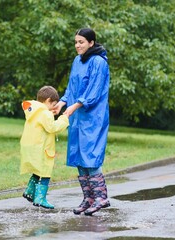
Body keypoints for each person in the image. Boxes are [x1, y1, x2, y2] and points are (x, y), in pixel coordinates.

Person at [53, 28, 111, 215]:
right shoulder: (77, 61)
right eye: (76, 42)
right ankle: (89, 198)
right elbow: (71, 88)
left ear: (91, 43)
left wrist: (75, 105)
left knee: (90, 155)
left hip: (93, 116)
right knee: (78, 155)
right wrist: (62, 103)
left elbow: (94, 92)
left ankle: (101, 197)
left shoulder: (99, 62)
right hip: (76, 115)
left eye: (81, 42)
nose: (78, 45)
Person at [20, 86, 70, 209]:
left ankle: (29, 191)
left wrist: (50, 113)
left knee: (38, 170)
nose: (54, 107)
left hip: (32, 146)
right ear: (48, 100)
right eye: (53, 104)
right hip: (43, 148)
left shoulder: (35, 111)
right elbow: (52, 127)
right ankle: (40, 199)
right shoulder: (45, 113)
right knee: (46, 172)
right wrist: (64, 119)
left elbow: (44, 123)